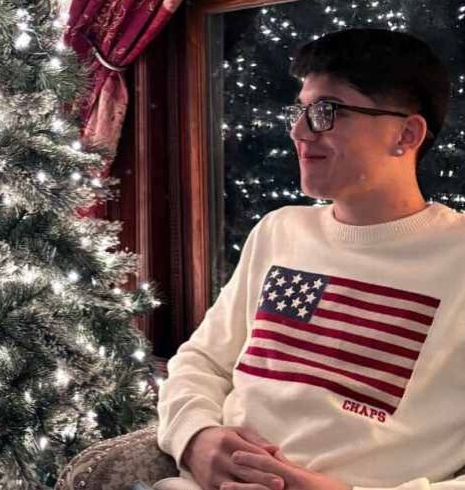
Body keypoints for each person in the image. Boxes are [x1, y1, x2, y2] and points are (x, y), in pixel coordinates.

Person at [156, 28, 465, 490]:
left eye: (327, 112)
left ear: (406, 133)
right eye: (300, 111)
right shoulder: (280, 231)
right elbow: (203, 362)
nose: (300, 132)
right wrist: (196, 437)